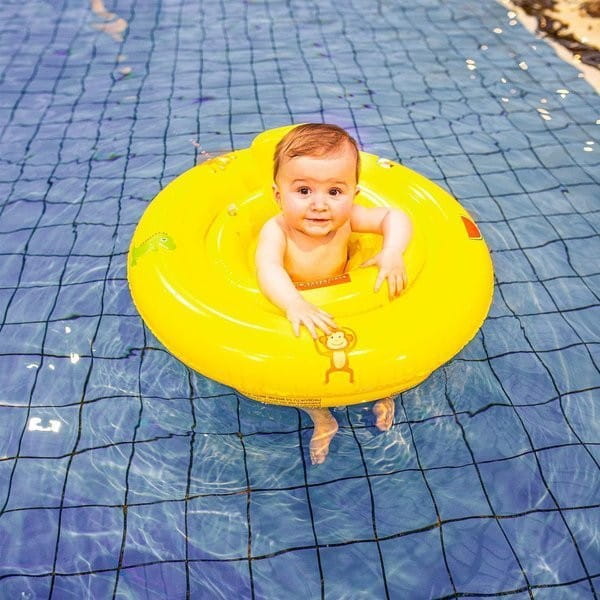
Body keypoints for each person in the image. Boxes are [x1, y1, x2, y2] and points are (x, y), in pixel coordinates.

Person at [255, 124, 413, 465]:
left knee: (384, 349)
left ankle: (384, 394)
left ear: (354, 194)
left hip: (350, 304)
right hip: (304, 310)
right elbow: (268, 268)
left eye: (335, 192)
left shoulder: (349, 219)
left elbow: (396, 217)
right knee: (300, 376)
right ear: (278, 195)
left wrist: (392, 251)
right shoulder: (277, 230)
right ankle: (322, 418)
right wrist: (293, 302)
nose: (319, 204)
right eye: (303, 190)